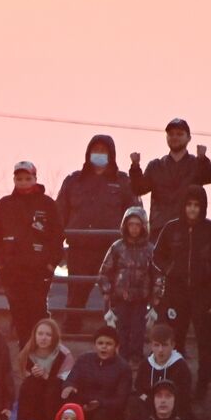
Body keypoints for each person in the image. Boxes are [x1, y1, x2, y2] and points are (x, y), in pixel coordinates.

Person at [56, 135, 138, 331]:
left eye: (104, 150)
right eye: (96, 149)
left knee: (114, 295)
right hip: (80, 249)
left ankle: (115, 334)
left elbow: (134, 214)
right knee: (76, 294)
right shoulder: (74, 180)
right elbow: (59, 213)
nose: (99, 154)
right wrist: (57, 245)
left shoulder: (123, 182)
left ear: (111, 154)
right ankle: (72, 331)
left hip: (113, 250)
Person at [150, 186, 211, 398]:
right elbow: (157, 256)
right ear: (183, 206)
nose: (192, 209)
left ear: (203, 207)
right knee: (175, 338)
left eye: (196, 205)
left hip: (203, 293)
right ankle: (175, 382)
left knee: (205, 340)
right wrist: (170, 270)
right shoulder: (171, 228)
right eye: (189, 205)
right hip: (176, 292)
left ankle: (203, 384)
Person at [0, 162, 63, 346]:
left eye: (28, 178)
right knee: (19, 314)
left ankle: (42, 352)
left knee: (38, 313)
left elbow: (58, 237)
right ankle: (25, 354)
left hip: (39, 271)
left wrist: (50, 265)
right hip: (12, 272)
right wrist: (0, 266)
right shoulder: (5, 204)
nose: (23, 182)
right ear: (14, 180)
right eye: (19, 179)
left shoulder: (47, 204)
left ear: (35, 179)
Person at [128, 118, 211, 237]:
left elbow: (210, 177)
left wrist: (203, 159)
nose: (175, 137)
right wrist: (135, 168)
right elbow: (138, 189)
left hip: (189, 228)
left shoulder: (197, 164)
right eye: (171, 134)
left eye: (180, 134)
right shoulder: (156, 166)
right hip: (160, 229)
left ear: (189, 138)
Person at [97, 207, 159, 363]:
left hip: (141, 300)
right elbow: (104, 272)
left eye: (137, 225)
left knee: (138, 330)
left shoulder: (151, 250)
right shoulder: (117, 247)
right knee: (121, 329)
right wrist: (106, 292)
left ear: (144, 226)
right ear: (125, 226)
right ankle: (121, 358)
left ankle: (137, 358)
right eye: (131, 224)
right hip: (120, 298)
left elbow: (158, 275)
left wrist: (156, 297)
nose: (134, 228)